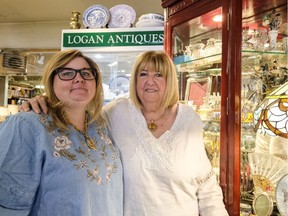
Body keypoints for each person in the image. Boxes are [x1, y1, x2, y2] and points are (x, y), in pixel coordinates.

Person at [20, 50, 228, 215]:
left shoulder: (189, 119)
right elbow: (77, 113)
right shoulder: (117, 112)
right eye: (143, 74)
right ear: (135, 80)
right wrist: (46, 100)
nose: (150, 81)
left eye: (159, 75)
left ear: (170, 81)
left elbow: (207, 185)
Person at [0, 49, 123, 216]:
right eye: (67, 73)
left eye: (86, 73)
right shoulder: (27, 125)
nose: (79, 78)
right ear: (51, 82)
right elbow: (8, 203)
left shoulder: (100, 125)